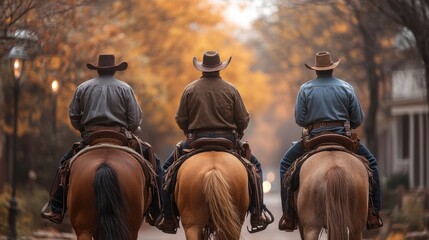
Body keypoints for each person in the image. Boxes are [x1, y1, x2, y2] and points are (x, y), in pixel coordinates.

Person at [156, 50, 273, 234]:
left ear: (202, 68)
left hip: (196, 141)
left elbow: (180, 118)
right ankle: (258, 213)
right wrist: (238, 134)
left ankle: (168, 216)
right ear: (220, 68)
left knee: (167, 170)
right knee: (255, 168)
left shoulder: (190, 89)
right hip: (227, 140)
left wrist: (189, 132)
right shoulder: (231, 89)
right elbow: (243, 119)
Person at [41, 54, 162, 224]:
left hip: (91, 137)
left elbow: (74, 116)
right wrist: (128, 128)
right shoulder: (125, 88)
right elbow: (134, 121)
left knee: (64, 165)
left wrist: (83, 129)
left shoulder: (83, 88)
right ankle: (158, 209)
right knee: (152, 161)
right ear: (114, 70)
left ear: (98, 69)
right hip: (120, 136)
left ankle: (57, 208)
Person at [278, 51, 383, 231]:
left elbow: (300, 120)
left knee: (285, 164)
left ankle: (288, 215)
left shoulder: (305, 89)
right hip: (343, 137)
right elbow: (357, 119)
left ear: (316, 70)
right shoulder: (347, 88)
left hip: (313, 138)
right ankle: (373, 213)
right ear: (332, 68)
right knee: (372, 164)